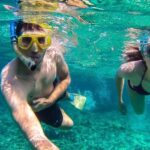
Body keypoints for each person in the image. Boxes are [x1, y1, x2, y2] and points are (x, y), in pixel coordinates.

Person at [1, 20, 74, 150]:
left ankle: (66, 96)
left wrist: (50, 100)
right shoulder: (10, 80)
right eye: (26, 41)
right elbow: (37, 137)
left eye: (41, 40)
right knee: (69, 125)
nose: (35, 49)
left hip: (51, 91)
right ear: (17, 44)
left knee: (61, 90)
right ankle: (58, 102)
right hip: (38, 107)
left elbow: (65, 78)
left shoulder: (54, 55)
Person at [116, 35, 150, 115]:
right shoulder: (132, 70)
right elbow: (118, 75)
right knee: (139, 112)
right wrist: (120, 100)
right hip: (137, 86)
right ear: (144, 56)